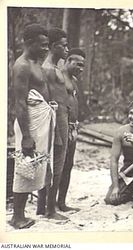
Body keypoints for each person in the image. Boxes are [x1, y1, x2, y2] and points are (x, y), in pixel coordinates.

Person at [10, 24, 53, 229]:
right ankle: (17, 216)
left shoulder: (37, 61)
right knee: (25, 166)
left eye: (47, 45)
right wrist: (26, 135)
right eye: (42, 44)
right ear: (29, 43)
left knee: (36, 166)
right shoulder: (22, 65)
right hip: (30, 123)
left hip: (41, 120)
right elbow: (19, 103)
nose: (46, 48)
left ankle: (27, 212)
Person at [39, 28, 69, 220]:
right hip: (57, 120)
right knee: (56, 164)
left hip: (64, 118)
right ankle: (50, 210)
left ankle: (43, 207)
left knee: (56, 163)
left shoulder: (56, 67)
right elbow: (48, 100)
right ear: (53, 46)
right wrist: (56, 129)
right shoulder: (48, 69)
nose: (67, 49)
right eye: (64, 46)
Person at [57, 48, 86, 212]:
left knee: (68, 165)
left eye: (83, 66)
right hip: (62, 127)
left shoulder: (73, 79)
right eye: (78, 64)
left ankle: (62, 202)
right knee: (57, 166)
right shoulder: (58, 77)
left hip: (73, 127)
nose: (81, 68)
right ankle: (48, 204)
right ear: (68, 61)